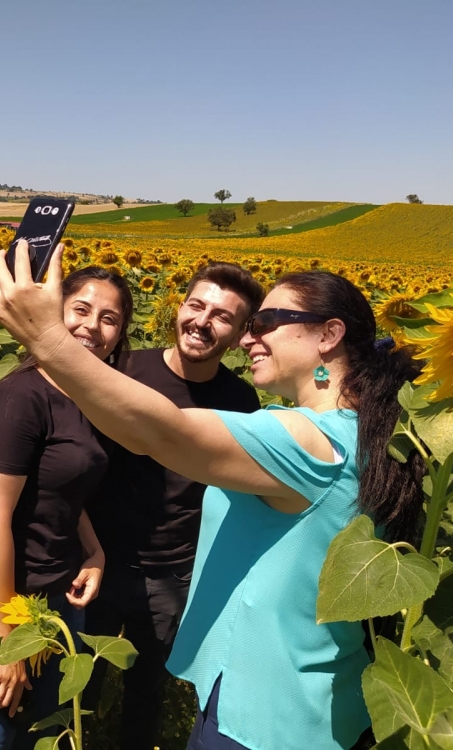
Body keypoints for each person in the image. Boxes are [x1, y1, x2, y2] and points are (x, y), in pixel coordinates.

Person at [0, 243, 424, 750]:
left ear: (329, 334)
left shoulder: (307, 438)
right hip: (311, 695)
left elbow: (166, 434)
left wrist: (48, 337)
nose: (249, 338)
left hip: (265, 713)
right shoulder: (370, 433)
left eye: (265, 322)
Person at [0, 266, 135, 750]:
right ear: (53, 311)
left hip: (58, 602)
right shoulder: (20, 397)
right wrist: (8, 640)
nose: (93, 326)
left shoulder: (92, 399)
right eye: (82, 310)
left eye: (110, 319)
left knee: (39, 733)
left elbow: (66, 492)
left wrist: (94, 553)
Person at [84, 262, 263, 750]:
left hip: (173, 571)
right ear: (179, 307)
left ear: (240, 333)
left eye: (222, 317)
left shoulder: (241, 402)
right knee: (78, 680)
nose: (203, 321)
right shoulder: (122, 368)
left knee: (146, 691)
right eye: (197, 305)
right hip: (94, 560)